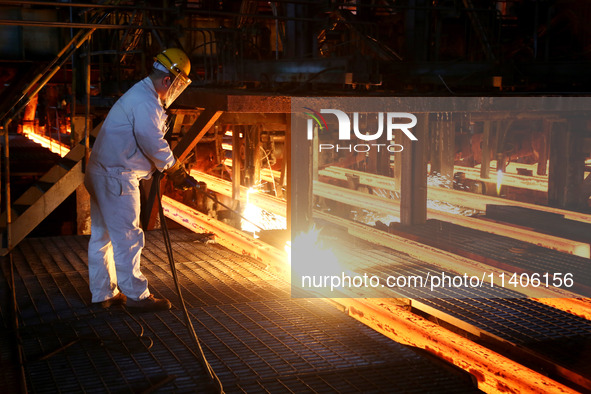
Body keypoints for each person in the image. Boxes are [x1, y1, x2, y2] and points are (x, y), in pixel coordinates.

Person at [84, 48, 196, 311]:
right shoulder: (146, 101)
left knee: (103, 237)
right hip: (117, 177)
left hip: (102, 172)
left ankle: (102, 294)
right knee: (128, 237)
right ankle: (137, 296)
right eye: (176, 84)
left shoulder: (140, 93)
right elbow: (152, 141)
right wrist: (174, 168)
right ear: (169, 80)